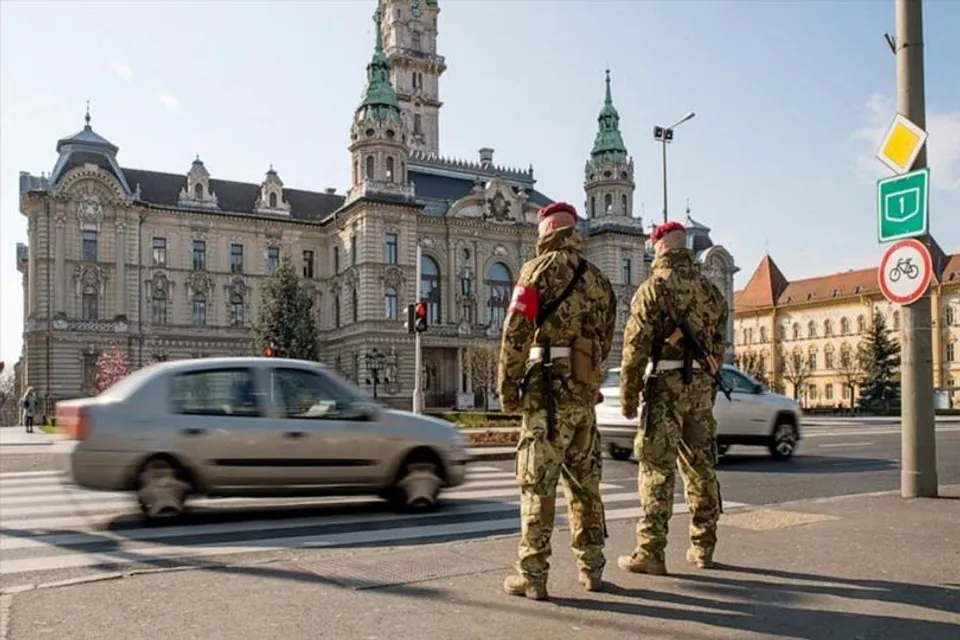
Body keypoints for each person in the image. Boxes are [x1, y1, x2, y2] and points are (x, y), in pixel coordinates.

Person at [497, 201, 617, 601]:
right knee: (586, 486)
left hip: (545, 396)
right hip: (584, 396)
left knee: (537, 483)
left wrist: (508, 391)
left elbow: (516, 332)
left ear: (546, 230)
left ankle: (533, 574)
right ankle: (593, 567)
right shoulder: (600, 280)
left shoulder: (538, 270)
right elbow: (605, 339)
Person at [617, 220, 728, 574]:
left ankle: (651, 550)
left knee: (656, 470)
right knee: (701, 468)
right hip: (701, 389)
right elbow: (718, 344)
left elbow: (633, 349)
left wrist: (628, 398)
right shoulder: (711, 291)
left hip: (665, 387)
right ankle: (703, 546)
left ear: (659, 246)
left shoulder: (653, 289)